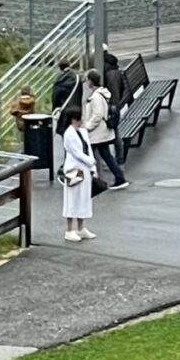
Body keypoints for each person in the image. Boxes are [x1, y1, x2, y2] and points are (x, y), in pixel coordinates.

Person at [57, 104, 96, 241]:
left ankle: (81, 228)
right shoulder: (68, 134)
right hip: (74, 169)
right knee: (72, 198)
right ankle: (69, 229)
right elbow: (77, 152)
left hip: (84, 169)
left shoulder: (83, 132)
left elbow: (88, 149)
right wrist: (91, 161)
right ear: (74, 119)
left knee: (83, 198)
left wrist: (92, 168)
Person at [84, 68, 126, 188]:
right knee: (106, 156)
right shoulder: (102, 93)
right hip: (102, 133)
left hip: (97, 133)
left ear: (91, 81)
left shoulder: (96, 96)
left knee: (88, 155)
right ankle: (119, 177)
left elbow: (98, 115)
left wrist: (87, 126)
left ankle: (93, 181)